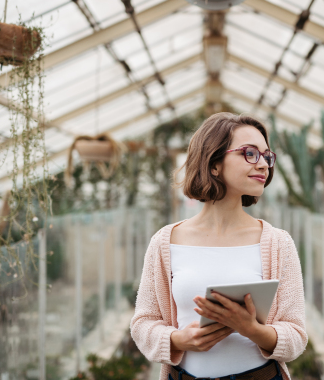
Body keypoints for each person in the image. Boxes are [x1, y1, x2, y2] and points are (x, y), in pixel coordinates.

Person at [130, 112, 307, 380]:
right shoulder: (165, 242)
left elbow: (296, 334)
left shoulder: (278, 243)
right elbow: (143, 324)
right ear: (214, 163)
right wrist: (179, 340)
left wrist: (252, 329)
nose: (263, 165)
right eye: (249, 153)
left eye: (267, 156)